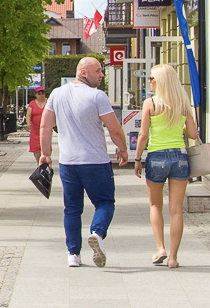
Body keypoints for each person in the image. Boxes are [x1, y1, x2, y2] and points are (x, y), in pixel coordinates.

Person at [40, 57, 129, 268]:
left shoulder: (56, 94)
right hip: (95, 161)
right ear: (82, 71)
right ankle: (97, 233)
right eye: (97, 71)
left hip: (68, 162)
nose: (101, 74)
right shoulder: (98, 97)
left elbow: (45, 126)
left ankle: (73, 254)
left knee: (71, 209)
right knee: (105, 202)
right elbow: (114, 129)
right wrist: (123, 149)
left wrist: (46, 154)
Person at [133, 64, 198, 269]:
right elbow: (193, 135)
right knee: (177, 210)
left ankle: (160, 248)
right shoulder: (183, 103)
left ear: (160, 81)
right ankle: (173, 257)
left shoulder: (150, 103)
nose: (150, 81)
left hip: (157, 156)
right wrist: (181, 125)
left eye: (152, 78)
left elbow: (143, 134)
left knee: (155, 206)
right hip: (180, 157)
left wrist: (137, 159)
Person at [26, 86, 47, 163]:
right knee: (36, 147)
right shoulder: (32, 103)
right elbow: (28, 115)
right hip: (35, 129)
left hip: (45, 128)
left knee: (46, 145)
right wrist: (28, 123)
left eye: (42, 93)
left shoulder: (48, 102)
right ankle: (39, 162)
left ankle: (45, 162)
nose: (41, 95)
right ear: (35, 94)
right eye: (39, 93)